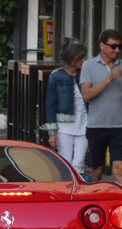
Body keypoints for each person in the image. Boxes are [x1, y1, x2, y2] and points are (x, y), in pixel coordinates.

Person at [80, 29, 122, 185]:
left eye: (119, 46)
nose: (117, 50)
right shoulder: (88, 65)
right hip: (96, 125)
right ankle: (92, 202)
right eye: (113, 46)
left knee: (119, 167)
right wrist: (108, 80)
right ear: (102, 45)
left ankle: (121, 206)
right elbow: (86, 95)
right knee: (97, 170)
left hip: (119, 126)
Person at [42, 38, 89, 172]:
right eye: (81, 57)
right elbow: (50, 105)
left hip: (85, 123)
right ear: (72, 58)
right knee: (65, 163)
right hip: (64, 126)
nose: (83, 60)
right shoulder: (56, 76)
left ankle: (77, 191)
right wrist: (52, 132)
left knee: (79, 163)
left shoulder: (85, 74)